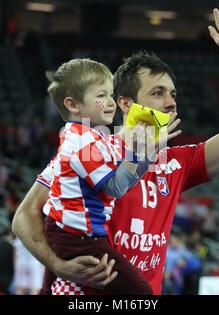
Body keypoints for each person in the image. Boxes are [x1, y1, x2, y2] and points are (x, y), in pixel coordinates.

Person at [12, 5, 219, 295]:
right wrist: (58, 265)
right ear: (126, 103)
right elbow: (24, 216)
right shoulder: (92, 151)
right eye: (158, 93)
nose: (170, 103)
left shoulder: (178, 162)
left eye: (173, 94)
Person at [40, 58, 163, 295]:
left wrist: (145, 152)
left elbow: (126, 173)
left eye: (110, 94)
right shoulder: (82, 143)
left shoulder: (89, 136)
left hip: (63, 229)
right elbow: (116, 187)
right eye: (101, 95)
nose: (110, 102)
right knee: (142, 293)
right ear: (73, 104)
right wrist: (142, 152)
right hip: (78, 237)